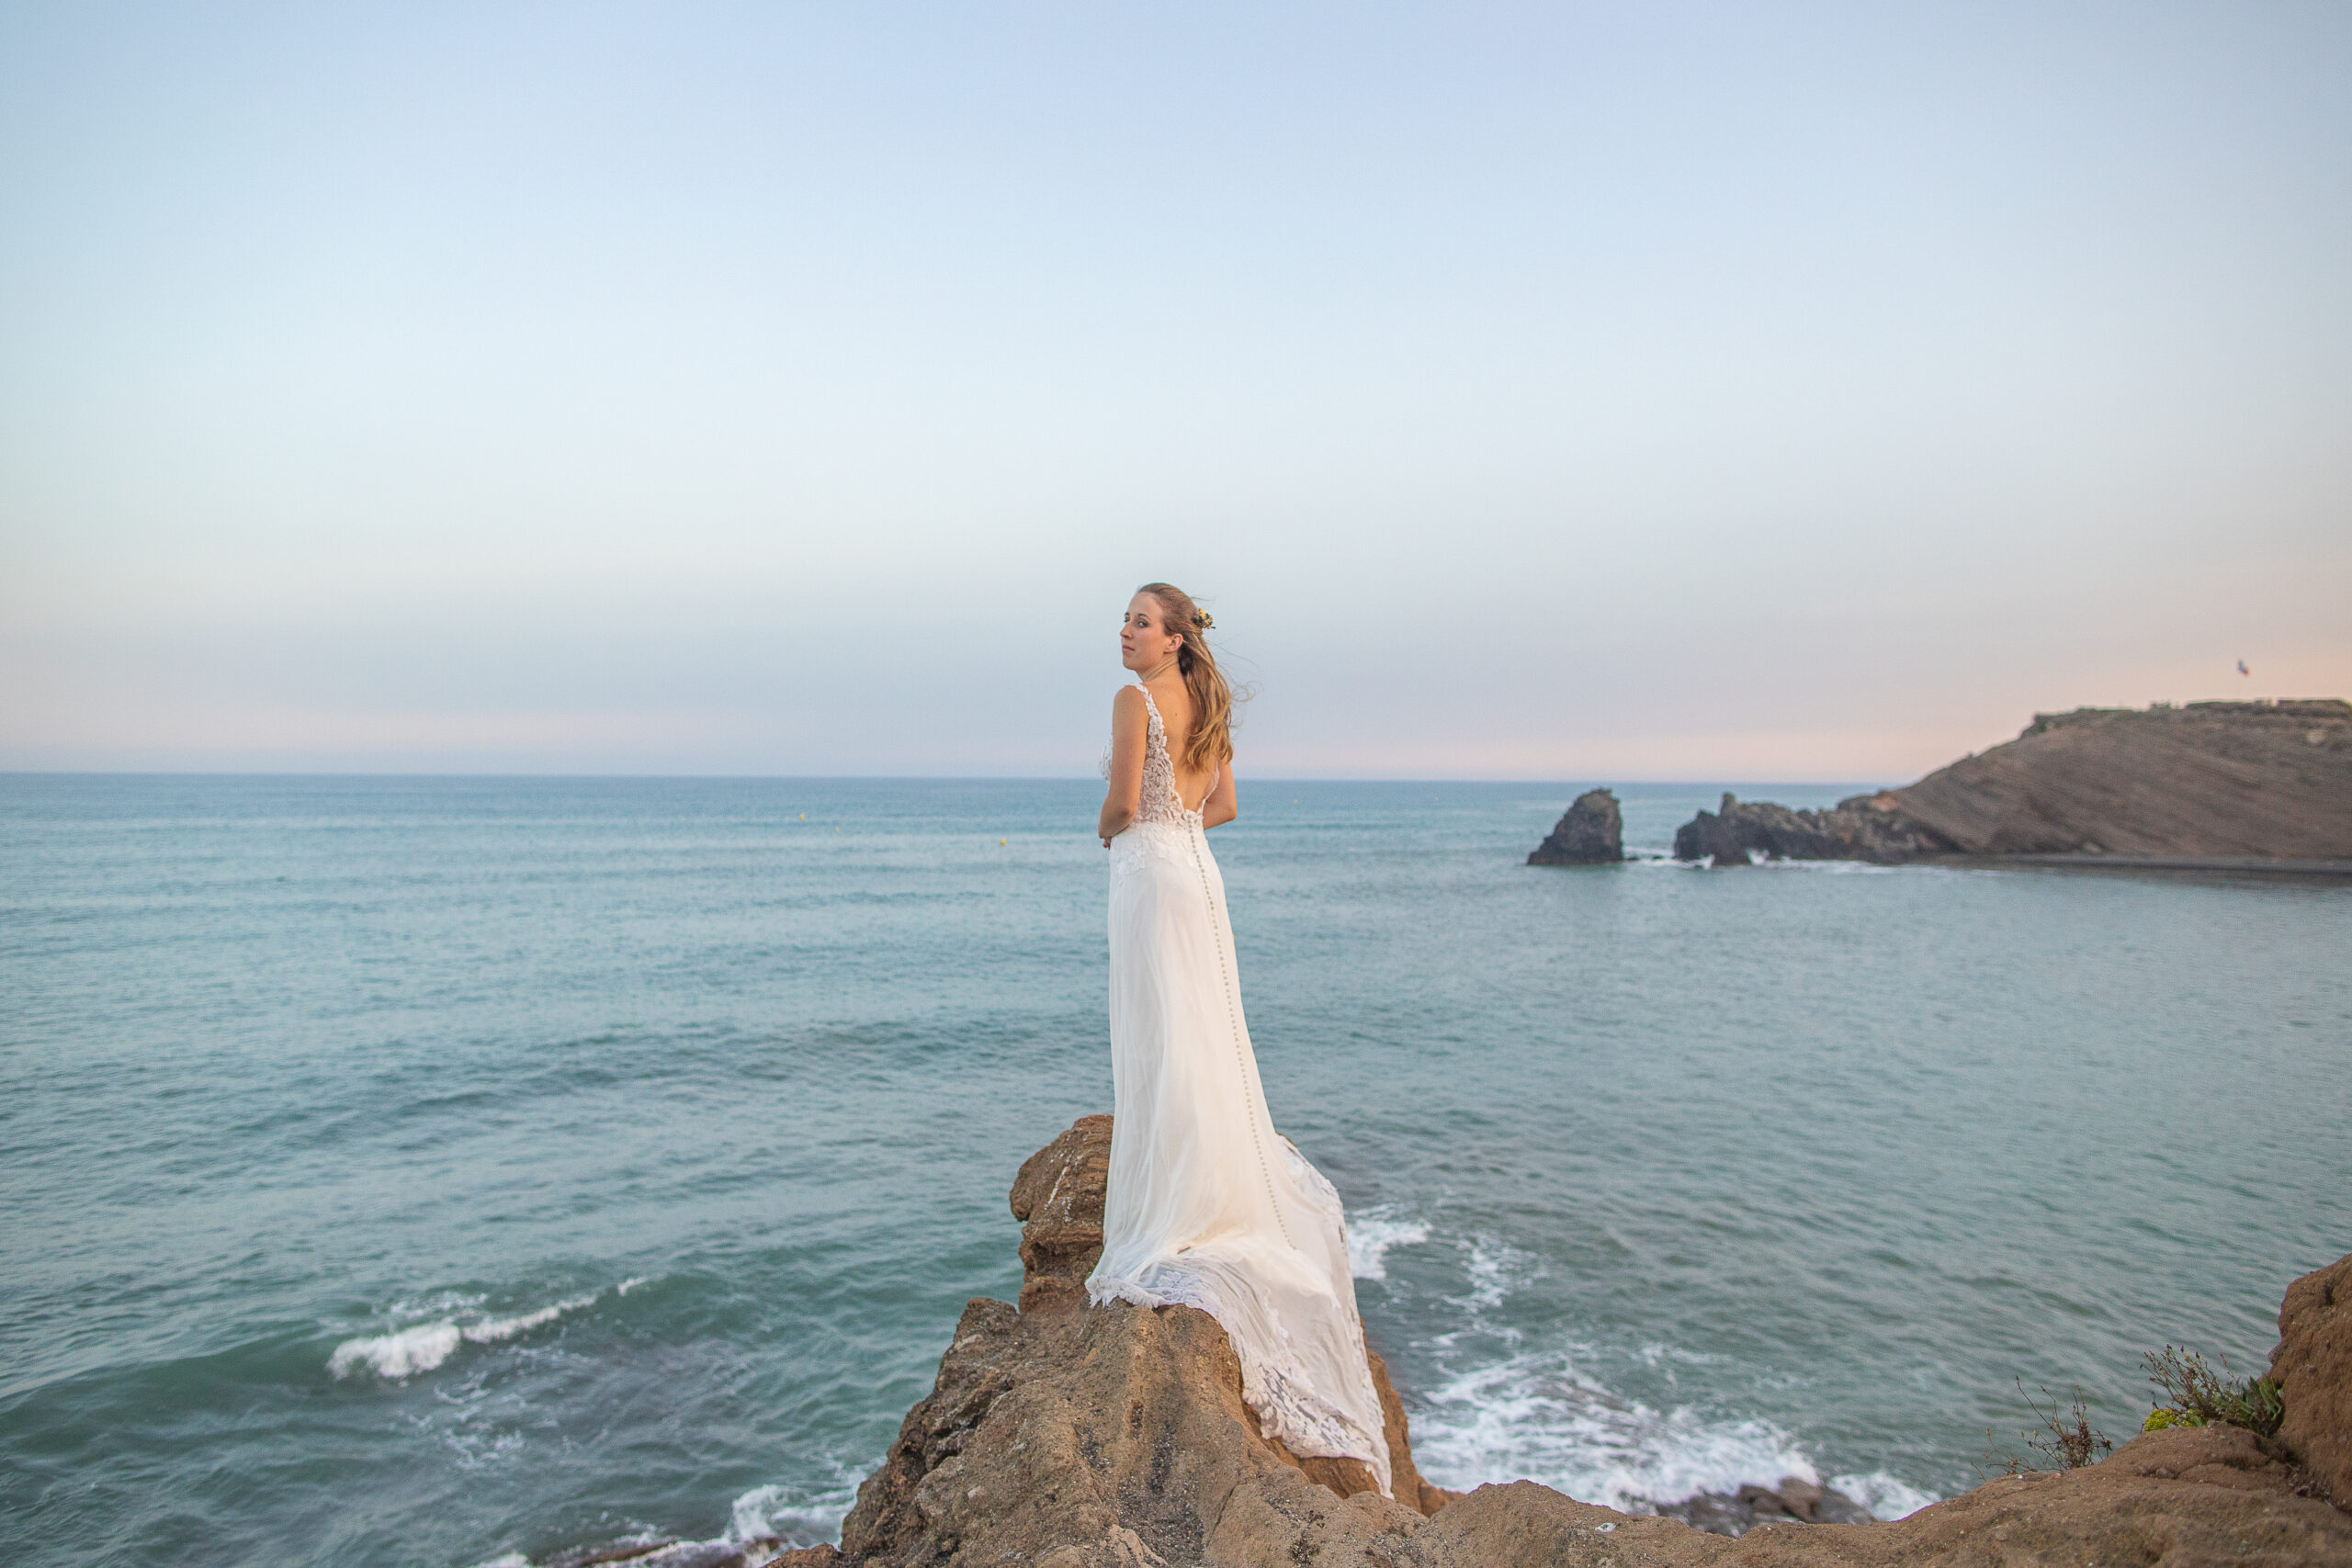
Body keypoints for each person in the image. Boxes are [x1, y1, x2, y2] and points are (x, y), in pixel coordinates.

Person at [1086, 581, 1393, 1495]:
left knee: (1162, 1040)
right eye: (1127, 621)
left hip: (1148, 873)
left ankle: (1174, 1206)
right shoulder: (1208, 705)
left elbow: (1118, 804)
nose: (1126, 632)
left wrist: (1108, 830)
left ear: (1174, 639)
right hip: (1199, 873)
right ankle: (1214, 1185)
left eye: (1140, 622)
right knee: (1205, 1037)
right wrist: (1168, 821)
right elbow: (1219, 809)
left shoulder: (1132, 701)